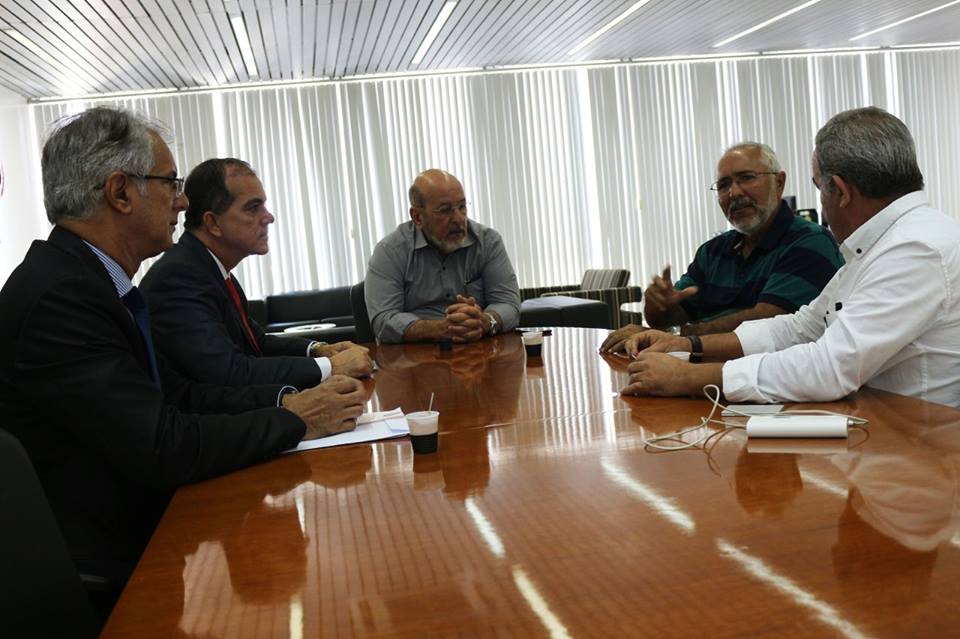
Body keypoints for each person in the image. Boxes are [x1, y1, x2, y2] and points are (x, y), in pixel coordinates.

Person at [0, 107, 367, 619]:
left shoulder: (91, 281)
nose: (183, 200)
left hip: (143, 537)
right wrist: (295, 420)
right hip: (106, 578)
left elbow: (182, 395)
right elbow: (162, 445)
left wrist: (289, 403)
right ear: (120, 192)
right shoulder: (61, 299)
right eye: (170, 183)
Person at [619, 107, 960, 407]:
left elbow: (828, 368)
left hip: (913, 444)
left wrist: (689, 377)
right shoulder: (884, 243)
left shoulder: (915, 249)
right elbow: (802, 327)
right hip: (875, 425)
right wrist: (687, 344)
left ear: (840, 192)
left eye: (819, 188)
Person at [140, 158, 372, 387]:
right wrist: (331, 367)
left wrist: (318, 350)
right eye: (253, 208)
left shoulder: (210, 268)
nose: (269, 217)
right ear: (213, 223)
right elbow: (230, 372)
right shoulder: (178, 278)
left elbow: (256, 342)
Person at [601, 142, 842, 352]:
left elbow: (768, 323)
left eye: (747, 177)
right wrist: (658, 306)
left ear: (779, 183)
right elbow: (672, 318)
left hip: (775, 380)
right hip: (702, 369)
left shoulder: (810, 241)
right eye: (724, 184)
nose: (734, 192)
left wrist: (677, 336)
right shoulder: (713, 251)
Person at [365, 169, 521, 343]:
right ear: (418, 217)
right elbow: (383, 320)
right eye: (445, 210)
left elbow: (509, 304)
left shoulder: (487, 242)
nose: (458, 219)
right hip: (416, 354)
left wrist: (485, 321)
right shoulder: (390, 251)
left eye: (462, 207)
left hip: (479, 348)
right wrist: (439, 328)